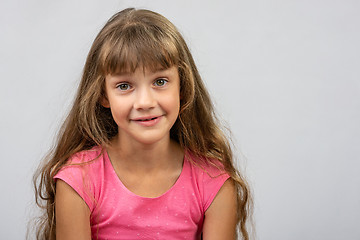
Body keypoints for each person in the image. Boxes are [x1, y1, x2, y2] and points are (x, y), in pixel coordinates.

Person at [33, 8, 252, 240]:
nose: (145, 102)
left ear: (183, 87)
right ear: (103, 95)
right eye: (124, 86)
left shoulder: (213, 182)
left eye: (160, 81)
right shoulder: (79, 181)